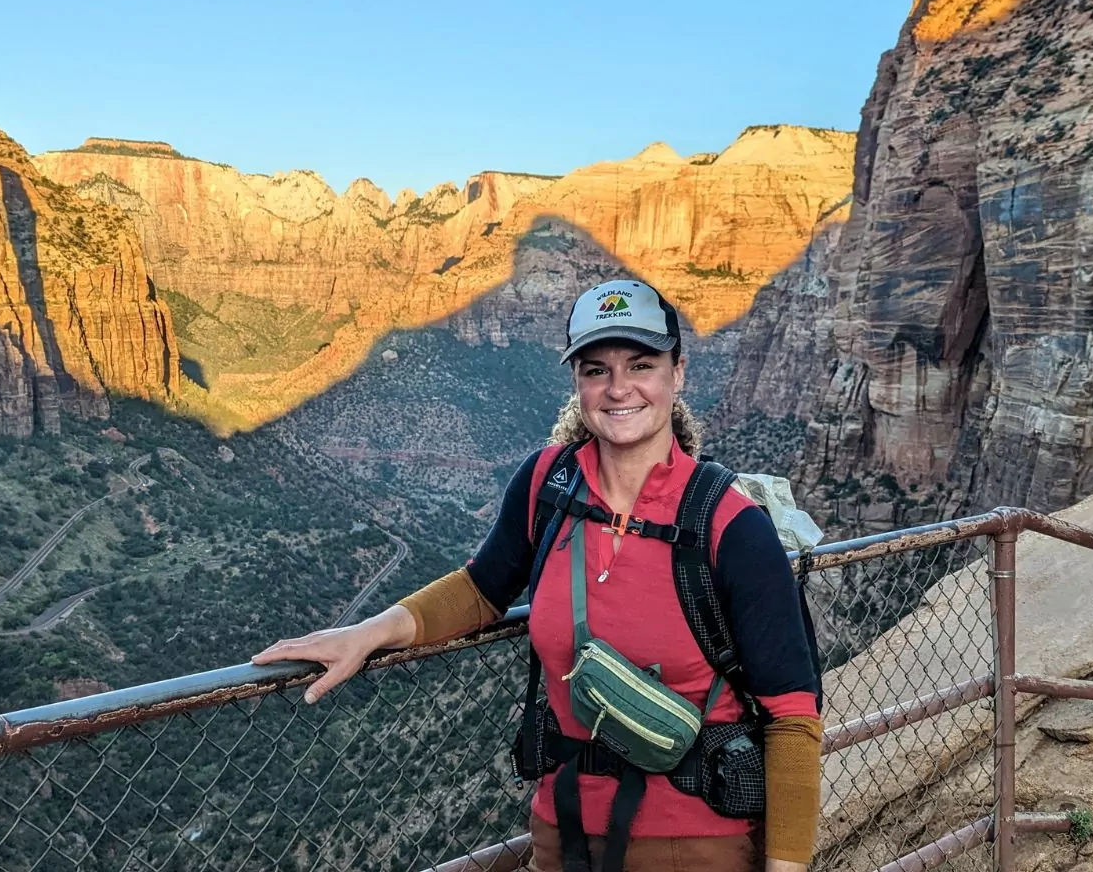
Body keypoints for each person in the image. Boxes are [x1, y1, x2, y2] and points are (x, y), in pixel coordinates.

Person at [253, 278, 823, 872]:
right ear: (577, 383)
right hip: (562, 832)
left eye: (641, 364)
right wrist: (367, 632)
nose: (618, 387)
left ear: (677, 373)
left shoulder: (730, 525)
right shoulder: (549, 485)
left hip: (693, 844)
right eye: (596, 369)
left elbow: (792, 714)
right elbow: (481, 588)